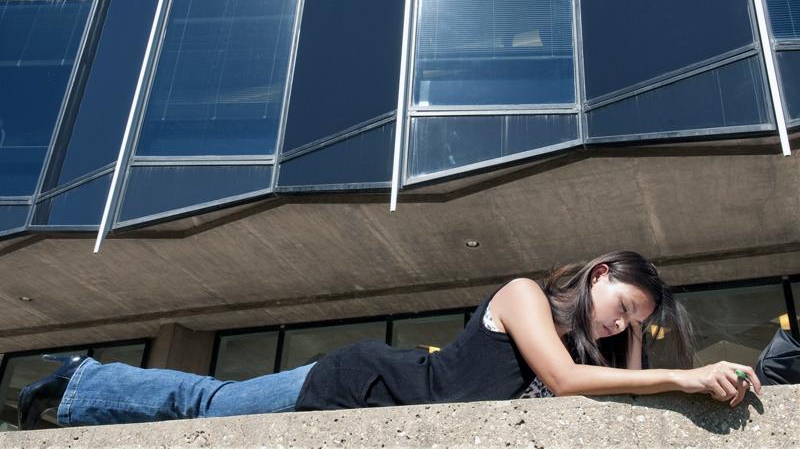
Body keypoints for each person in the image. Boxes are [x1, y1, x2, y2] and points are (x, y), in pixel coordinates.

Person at [18, 251, 761, 430]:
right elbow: (568, 385)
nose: (622, 326)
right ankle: (79, 382)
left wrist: (639, 341)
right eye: (622, 306)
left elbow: (607, 393)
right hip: (363, 383)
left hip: (389, 401)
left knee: (214, 405)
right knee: (213, 402)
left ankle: (79, 387)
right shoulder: (526, 297)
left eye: (634, 323)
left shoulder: (593, 346)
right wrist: (688, 377)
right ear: (597, 273)